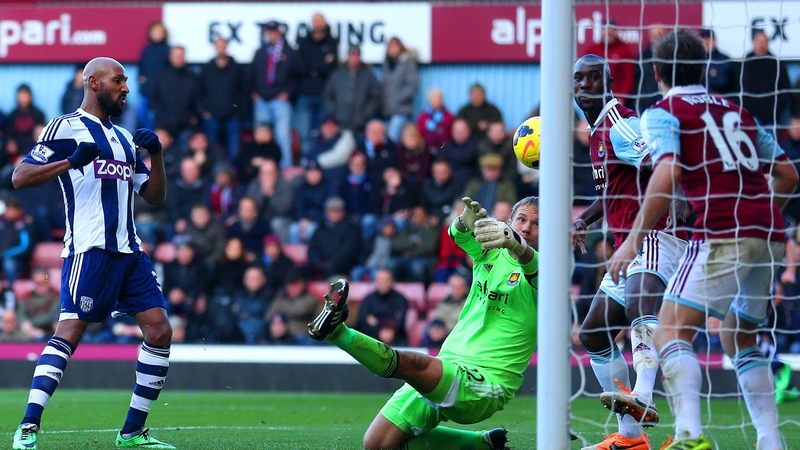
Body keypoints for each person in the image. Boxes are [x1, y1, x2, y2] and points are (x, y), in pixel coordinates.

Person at [607, 30, 799, 450]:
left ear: (656, 72)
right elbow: (788, 174)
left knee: (670, 331)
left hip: (720, 233)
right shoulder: (738, 110)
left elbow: (668, 171)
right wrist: (758, 214)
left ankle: (690, 437)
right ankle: (771, 440)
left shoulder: (664, 110)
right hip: (769, 232)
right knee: (737, 336)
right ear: (704, 67)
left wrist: (631, 239)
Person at [10, 57, 175, 449]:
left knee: (160, 329)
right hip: (90, 249)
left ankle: (132, 432)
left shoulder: (122, 138)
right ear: (93, 83)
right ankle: (28, 426)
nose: (126, 88)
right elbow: (20, 177)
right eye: (118, 80)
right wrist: (71, 160)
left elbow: (154, 197)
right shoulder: (65, 127)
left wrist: (158, 158)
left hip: (130, 251)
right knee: (70, 331)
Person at [307, 196, 539, 449]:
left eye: (537, 224)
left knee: (414, 363)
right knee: (377, 444)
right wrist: (463, 222)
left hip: (486, 383)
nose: (526, 227)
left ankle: (338, 332)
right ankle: (483, 445)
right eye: (522, 219)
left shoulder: (551, 268)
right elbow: (458, 235)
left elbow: (537, 269)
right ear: (509, 221)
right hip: (449, 363)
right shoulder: (490, 252)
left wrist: (518, 246)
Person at [572, 53, 688, 450]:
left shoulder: (620, 122)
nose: (584, 85)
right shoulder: (596, 132)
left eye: (593, 78)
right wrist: (584, 219)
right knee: (593, 332)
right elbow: (612, 193)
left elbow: (659, 161)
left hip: (655, 234)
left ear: (608, 83)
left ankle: (644, 395)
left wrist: (675, 199)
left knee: (641, 301)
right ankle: (632, 437)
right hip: (627, 244)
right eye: (579, 79)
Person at [251, 20, 297, 168]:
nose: (271, 35)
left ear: (279, 33)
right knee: (261, 137)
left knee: (282, 137)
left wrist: (287, 92)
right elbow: (252, 74)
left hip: (279, 100)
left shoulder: (288, 52)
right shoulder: (260, 52)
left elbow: (296, 76)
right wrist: (254, 92)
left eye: (273, 32)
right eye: (268, 32)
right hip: (262, 100)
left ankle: (285, 169)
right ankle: (262, 169)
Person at [296, 13, 339, 154]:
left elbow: (332, 67)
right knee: (304, 133)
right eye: (315, 21)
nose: (317, 24)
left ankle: (319, 163)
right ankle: (306, 161)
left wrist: (314, 68)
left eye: (320, 21)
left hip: (324, 94)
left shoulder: (332, 42)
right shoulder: (303, 41)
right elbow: (300, 66)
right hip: (305, 93)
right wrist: (321, 65)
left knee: (323, 132)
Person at [200, 37, 246, 160]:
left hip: (232, 116)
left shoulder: (236, 68)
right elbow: (200, 91)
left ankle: (235, 175)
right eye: (218, 45)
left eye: (223, 45)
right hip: (212, 116)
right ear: (214, 47)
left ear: (227, 47)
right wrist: (204, 112)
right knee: (213, 150)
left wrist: (238, 112)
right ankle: (215, 174)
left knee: (234, 150)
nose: (221, 48)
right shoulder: (207, 68)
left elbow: (243, 92)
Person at [740, 29, 792, 131]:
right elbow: (737, 86)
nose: (761, 45)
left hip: (770, 118)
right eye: (759, 42)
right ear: (753, 43)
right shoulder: (744, 64)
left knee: (770, 145)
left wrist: (776, 109)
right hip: (749, 116)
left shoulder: (776, 64)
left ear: (768, 44)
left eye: (764, 42)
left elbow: (785, 89)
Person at [323, 45, 382, 133]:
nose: (354, 58)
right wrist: (334, 113)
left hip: (361, 124)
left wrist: (366, 114)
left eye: (356, 55)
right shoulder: (337, 75)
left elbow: (375, 97)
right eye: (352, 55)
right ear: (348, 56)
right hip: (340, 123)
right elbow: (327, 95)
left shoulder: (368, 76)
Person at [583, 20, 635, 106]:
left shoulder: (624, 51)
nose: (608, 35)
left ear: (615, 32)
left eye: (610, 32)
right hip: (594, 96)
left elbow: (628, 77)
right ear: (601, 32)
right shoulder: (592, 50)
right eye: (605, 32)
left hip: (615, 98)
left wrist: (622, 97)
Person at [382, 37, 420, 143]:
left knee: (392, 140)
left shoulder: (408, 63)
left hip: (402, 110)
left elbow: (414, 86)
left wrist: (397, 98)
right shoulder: (387, 64)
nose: (393, 50)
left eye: (395, 47)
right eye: (390, 47)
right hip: (388, 111)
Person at [632, 24, 667, 113]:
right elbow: (635, 79)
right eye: (653, 35)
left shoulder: (671, 57)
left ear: (665, 35)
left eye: (659, 34)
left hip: (664, 100)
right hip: (644, 102)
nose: (656, 37)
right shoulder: (641, 56)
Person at [699, 28, 739, 96]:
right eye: (703, 39)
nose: (706, 42)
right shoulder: (696, 60)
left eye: (709, 39)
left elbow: (728, 84)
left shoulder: (725, 60)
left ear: (715, 40)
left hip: (720, 100)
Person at [416, 87, 454, 154]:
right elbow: (418, 134)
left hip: (445, 149)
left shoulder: (449, 116)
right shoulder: (423, 117)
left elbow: (452, 134)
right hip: (426, 150)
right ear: (429, 100)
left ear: (442, 99)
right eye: (433, 98)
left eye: (437, 98)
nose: (435, 101)